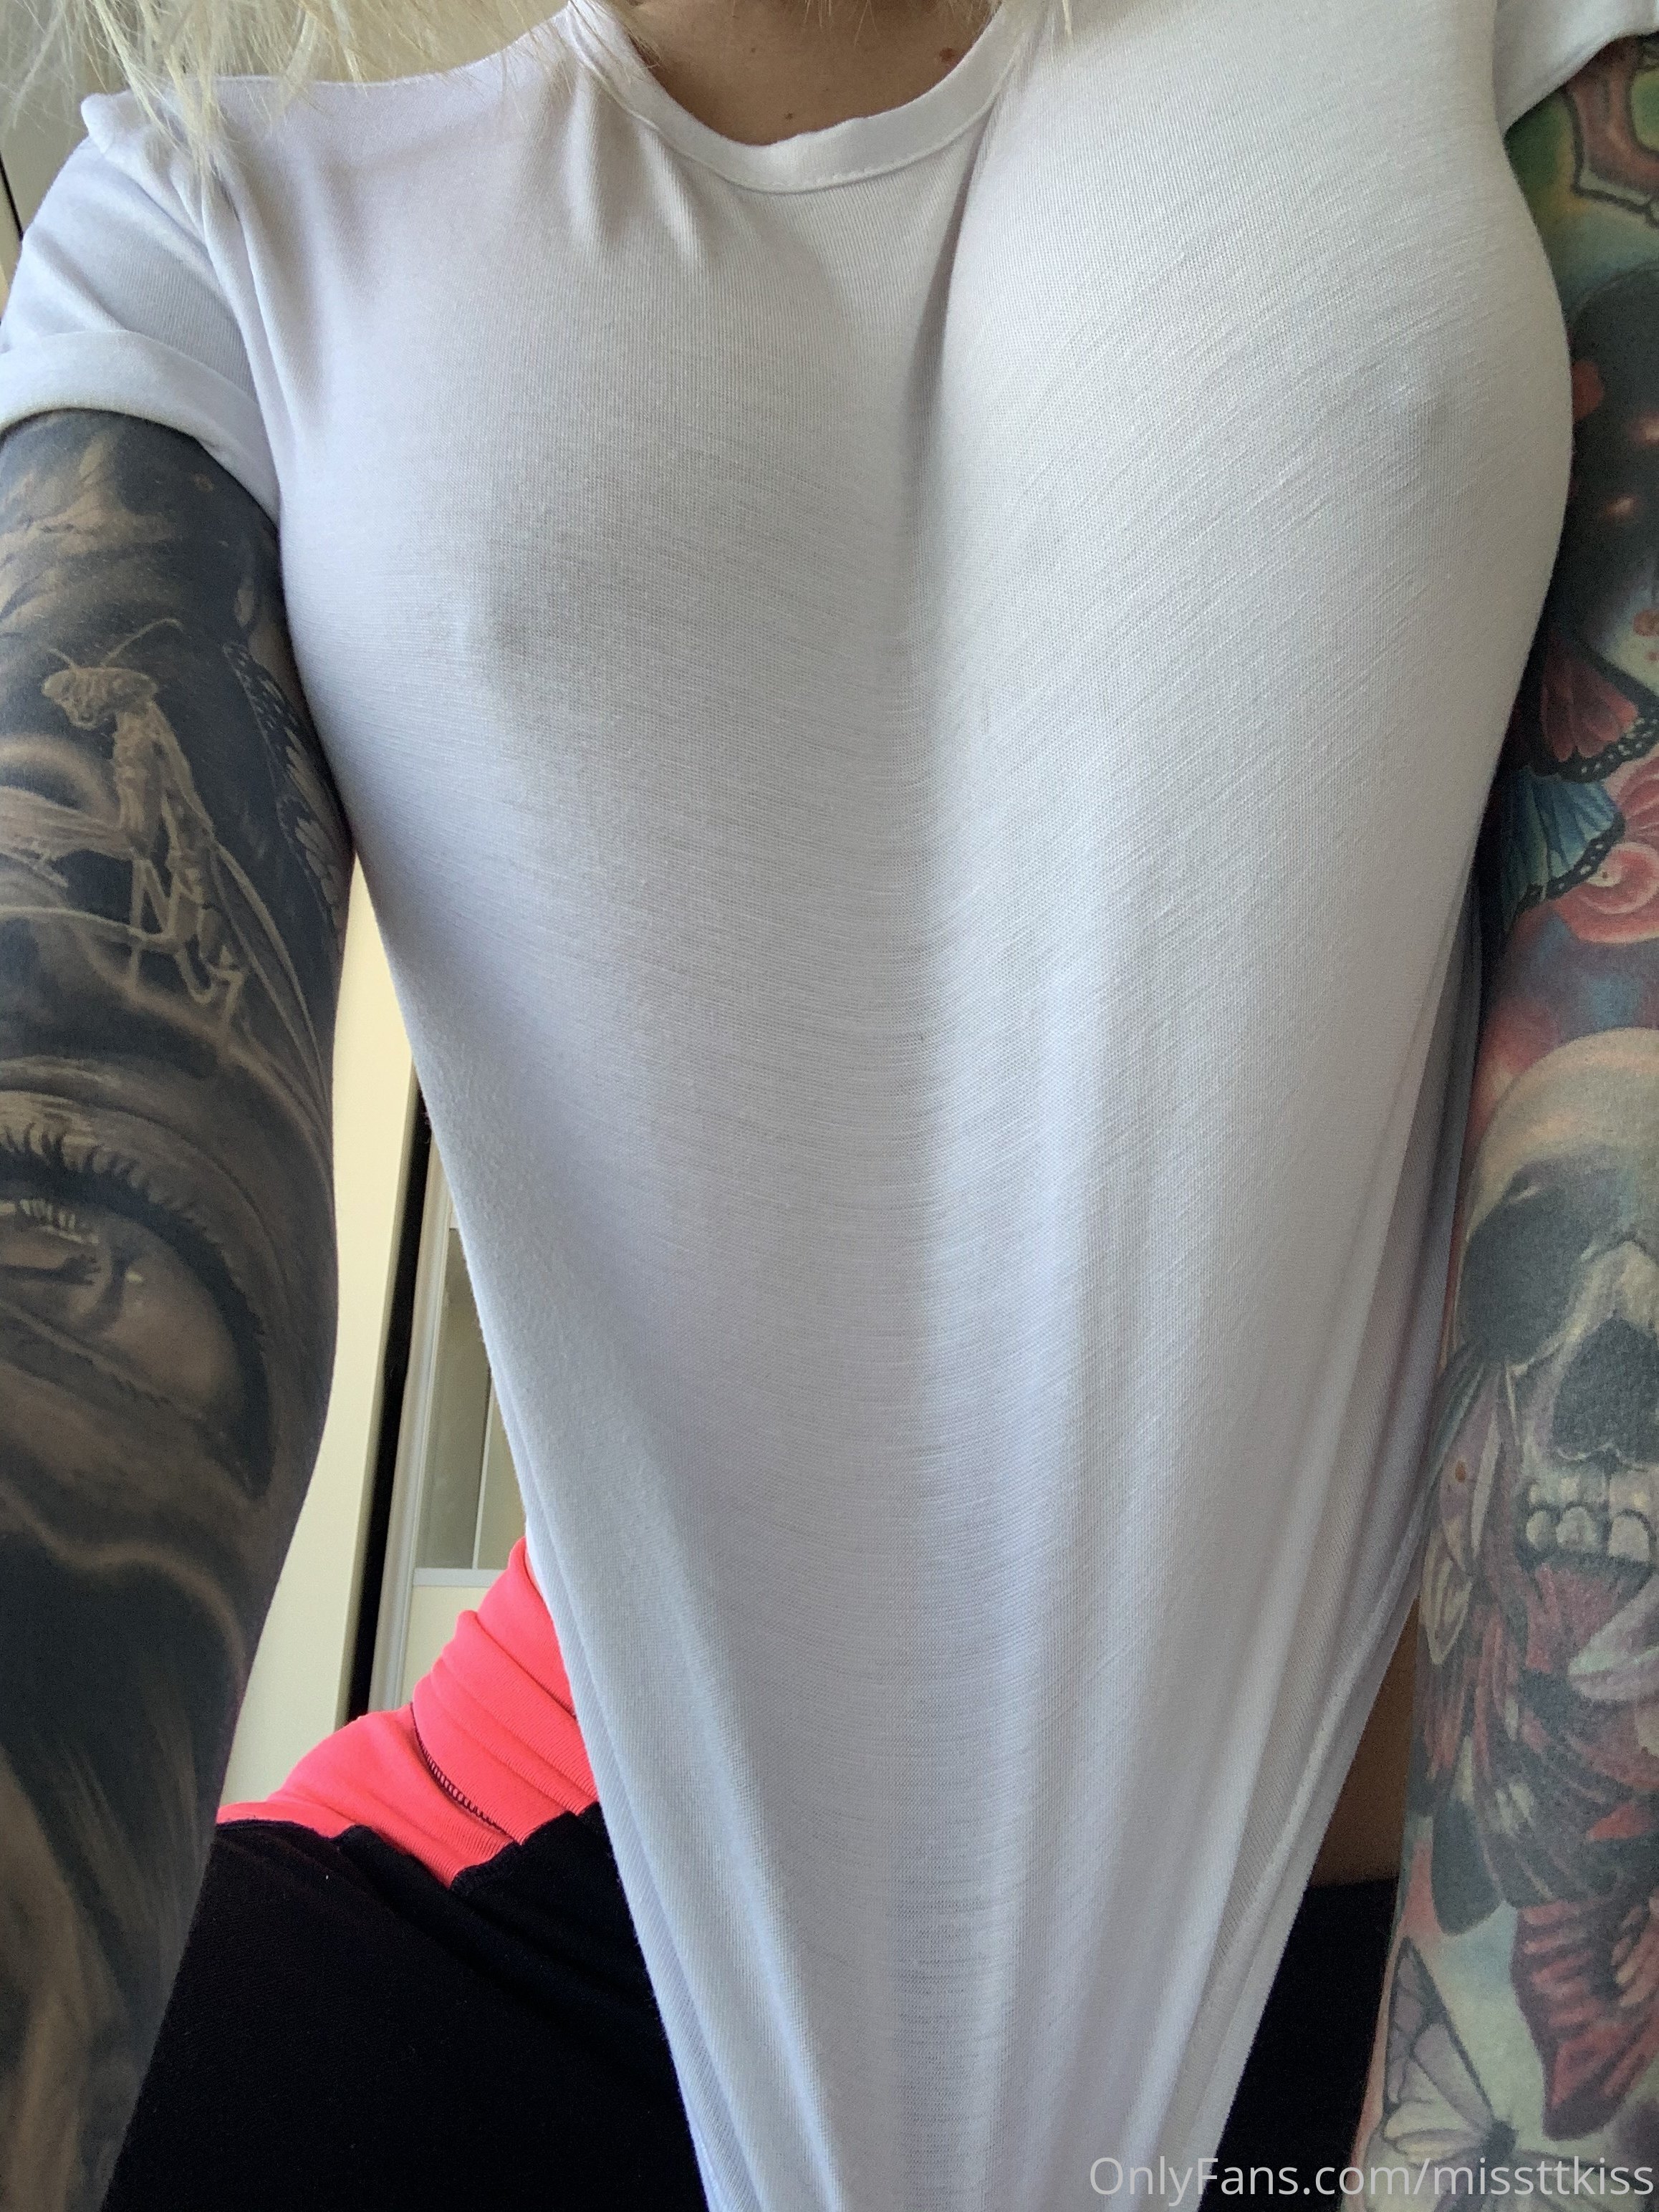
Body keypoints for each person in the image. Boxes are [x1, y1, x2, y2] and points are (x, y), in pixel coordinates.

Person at [2, 0, 1658, 2200]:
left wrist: (1533, 2156)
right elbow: (77, 1215)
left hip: (1455, 1937)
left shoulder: (1501, 46)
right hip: (547, 1909)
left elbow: (1619, 1093)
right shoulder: (217, 220)